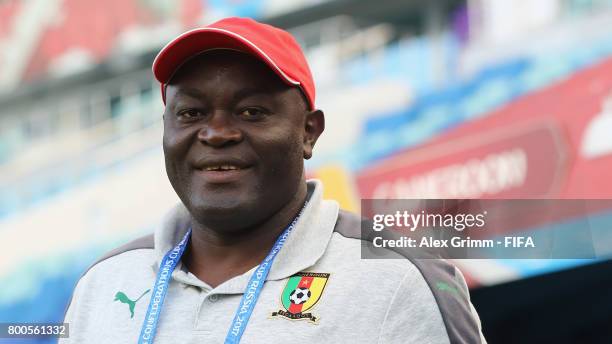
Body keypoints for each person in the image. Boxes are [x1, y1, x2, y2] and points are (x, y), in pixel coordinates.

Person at [61, 17, 486, 343]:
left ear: (308, 132)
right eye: (191, 114)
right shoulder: (105, 283)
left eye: (252, 112)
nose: (216, 133)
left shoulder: (399, 279)